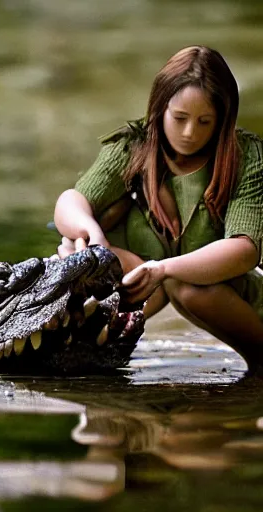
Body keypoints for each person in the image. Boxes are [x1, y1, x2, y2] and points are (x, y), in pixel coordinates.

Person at [53, 46, 263, 373]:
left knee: (187, 286)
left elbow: (245, 250)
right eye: (179, 118)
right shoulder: (134, 145)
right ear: (160, 108)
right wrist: (92, 235)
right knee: (78, 249)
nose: (190, 132)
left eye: (205, 121)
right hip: (145, 281)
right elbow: (72, 201)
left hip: (231, 292)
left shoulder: (245, 157)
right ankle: (91, 352)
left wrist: (164, 269)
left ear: (222, 120)